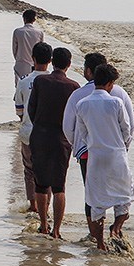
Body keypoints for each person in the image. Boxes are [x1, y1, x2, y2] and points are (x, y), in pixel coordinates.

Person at [62, 52, 134, 237]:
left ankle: (95, 236)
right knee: (123, 192)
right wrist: (123, 146)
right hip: (116, 152)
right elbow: (130, 126)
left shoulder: (79, 96)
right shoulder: (119, 95)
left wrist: (81, 146)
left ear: (89, 71)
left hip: (90, 153)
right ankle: (117, 230)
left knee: (93, 195)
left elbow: (68, 128)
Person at [27, 47, 80, 239]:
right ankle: (56, 230)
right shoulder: (74, 87)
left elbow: (31, 109)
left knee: (40, 184)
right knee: (59, 186)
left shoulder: (40, 81)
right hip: (61, 139)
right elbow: (75, 118)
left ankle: (43, 224)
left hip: (40, 135)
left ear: (52, 62)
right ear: (68, 64)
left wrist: (40, 125)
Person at [13, 41, 53, 213]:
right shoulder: (55, 81)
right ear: (50, 60)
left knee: (29, 171)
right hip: (49, 134)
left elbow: (19, 111)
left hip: (28, 132)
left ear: (33, 58)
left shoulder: (24, 81)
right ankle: (46, 206)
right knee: (48, 172)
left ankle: (33, 205)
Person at [12, 9, 44, 86]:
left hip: (21, 64)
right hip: (35, 65)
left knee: (19, 89)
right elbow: (42, 50)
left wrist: (18, 58)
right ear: (34, 19)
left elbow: (14, 50)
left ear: (24, 19)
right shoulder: (39, 33)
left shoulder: (17, 31)